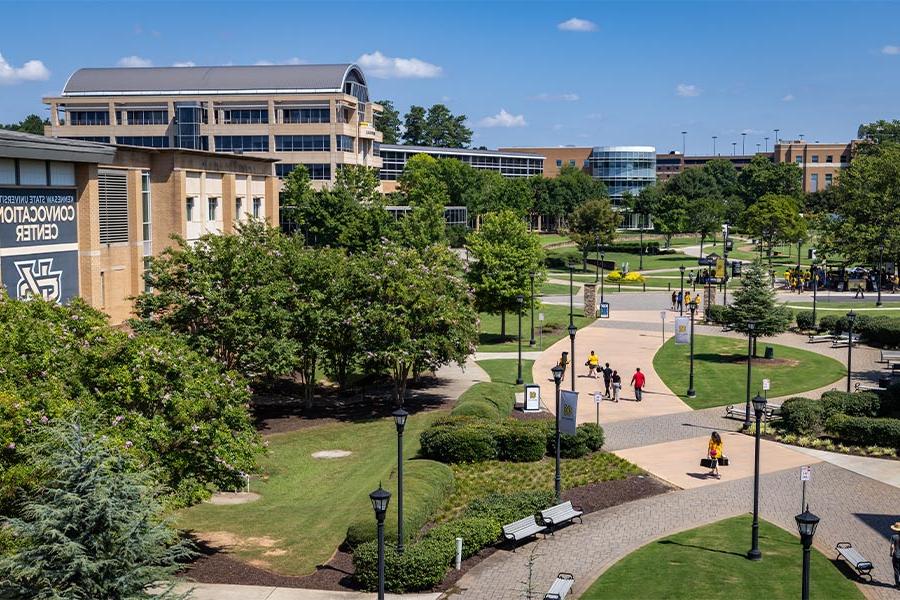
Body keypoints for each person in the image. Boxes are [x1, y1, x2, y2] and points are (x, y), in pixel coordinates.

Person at [890, 522, 900, 588]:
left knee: (896, 570)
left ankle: (897, 585)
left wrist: (890, 553)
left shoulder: (894, 537)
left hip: (896, 556)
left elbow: (892, 546)